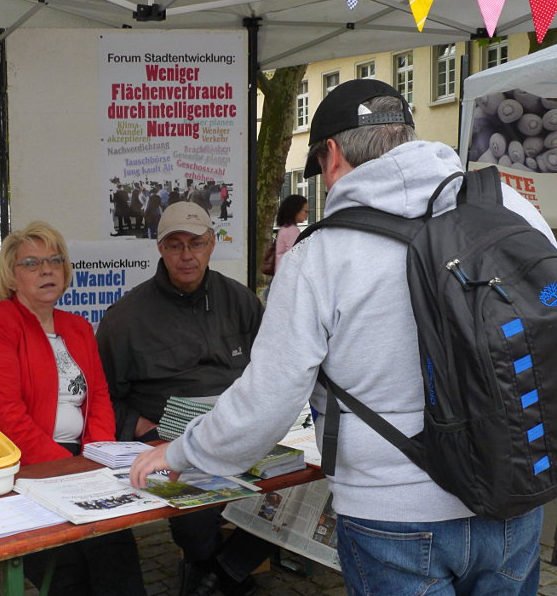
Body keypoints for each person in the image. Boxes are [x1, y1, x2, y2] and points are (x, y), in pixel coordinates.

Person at [130, 79, 557, 596]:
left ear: (331, 154)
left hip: (393, 513)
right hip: (513, 491)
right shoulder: (509, 206)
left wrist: (180, 453)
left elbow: (268, 403)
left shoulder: (320, 254)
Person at [0, 220, 146, 596]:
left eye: (55, 260)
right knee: (67, 568)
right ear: (12, 277)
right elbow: (4, 417)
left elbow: (98, 397)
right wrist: (69, 471)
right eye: (31, 263)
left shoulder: (77, 327)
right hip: (20, 468)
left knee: (116, 549)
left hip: (81, 461)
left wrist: (97, 457)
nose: (46, 269)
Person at [96, 202, 270, 596]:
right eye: (175, 245)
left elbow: (270, 373)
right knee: (193, 517)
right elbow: (101, 393)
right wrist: (140, 428)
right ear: (160, 249)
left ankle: (219, 576)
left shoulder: (241, 301)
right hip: (166, 441)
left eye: (196, 243)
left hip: (238, 433)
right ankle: (219, 572)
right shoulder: (125, 318)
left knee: (304, 484)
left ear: (212, 244)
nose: (187, 255)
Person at [274, 194, 308, 270]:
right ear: (295, 210)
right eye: (305, 211)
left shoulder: (284, 228)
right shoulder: (292, 230)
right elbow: (296, 255)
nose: (307, 215)